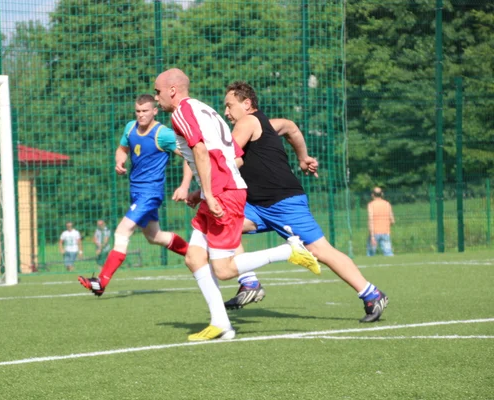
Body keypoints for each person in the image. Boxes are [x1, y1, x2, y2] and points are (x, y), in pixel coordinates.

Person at [155, 68, 320, 341]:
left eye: (158, 91)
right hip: (222, 188)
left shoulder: (181, 112)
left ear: (172, 90)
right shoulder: (202, 108)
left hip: (222, 192)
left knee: (224, 269)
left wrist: (208, 191)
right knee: (194, 257)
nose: (157, 96)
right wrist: (203, 192)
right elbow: (230, 152)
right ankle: (221, 324)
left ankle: (287, 250)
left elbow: (200, 151)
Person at [218, 81, 388, 322]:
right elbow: (290, 127)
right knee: (224, 222)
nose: (226, 112)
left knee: (320, 250)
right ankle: (249, 283)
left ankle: (372, 294)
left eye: (229, 106)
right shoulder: (266, 124)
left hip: (284, 203)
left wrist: (204, 172)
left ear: (246, 104)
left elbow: (228, 158)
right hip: (258, 206)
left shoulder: (246, 121)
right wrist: (303, 157)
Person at [78, 94, 190, 296]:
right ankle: (195, 253)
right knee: (154, 236)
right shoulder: (130, 127)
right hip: (136, 192)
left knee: (122, 231)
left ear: (155, 111)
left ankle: (101, 282)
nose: (141, 115)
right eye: (138, 111)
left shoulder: (162, 134)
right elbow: (122, 149)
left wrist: (184, 185)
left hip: (150, 193)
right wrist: (119, 161)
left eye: (145, 111)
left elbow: (191, 154)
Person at [367, 187, 395, 256]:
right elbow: (392, 221)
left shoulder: (371, 205)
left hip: (375, 232)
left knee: (371, 254)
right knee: (388, 253)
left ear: (372, 195)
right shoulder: (387, 204)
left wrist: (372, 236)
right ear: (382, 194)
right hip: (386, 232)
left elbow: (371, 220)